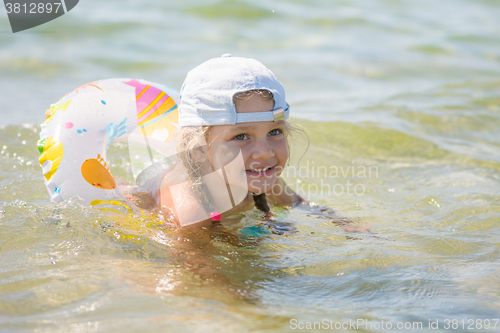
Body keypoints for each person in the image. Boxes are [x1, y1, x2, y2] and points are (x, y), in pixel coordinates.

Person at [149, 55, 306, 228]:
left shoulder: (260, 173)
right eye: (240, 136)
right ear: (199, 149)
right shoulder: (190, 211)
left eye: (274, 132)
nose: (265, 152)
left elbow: (300, 206)